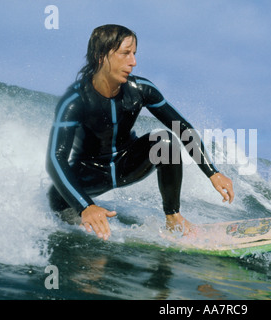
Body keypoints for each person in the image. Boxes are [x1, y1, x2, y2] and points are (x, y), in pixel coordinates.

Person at [46, 24, 234, 240]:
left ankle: (173, 219)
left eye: (134, 54)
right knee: (59, 203)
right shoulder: (75, 101)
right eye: (125, 54)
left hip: (127, 165)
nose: (133, 62)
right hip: (89, 175)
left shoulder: (141, 90)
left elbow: (182, 128)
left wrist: (212, 172)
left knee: (165, 142)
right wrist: (85, 206)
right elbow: (55, 159)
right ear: (101, 56)